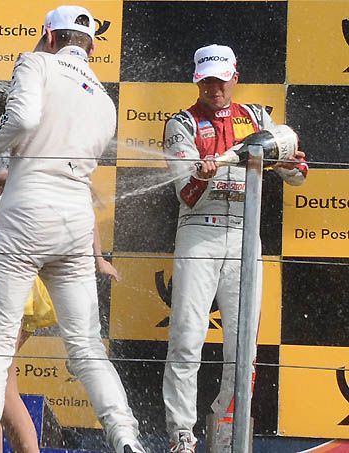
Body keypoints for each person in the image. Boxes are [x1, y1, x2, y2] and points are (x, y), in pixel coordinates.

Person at [0, 6, 146, 453]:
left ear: (49, 35)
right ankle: (125, 437)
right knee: (87, 348)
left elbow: (21, 120)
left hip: (27, 214)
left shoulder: (35, 62)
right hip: (74, 221)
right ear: (91, 46)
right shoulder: (104, 97)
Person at [162, 44, 308, 453]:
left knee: (243, 345)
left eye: (222, 80)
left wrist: (289, 164)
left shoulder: (258, 118)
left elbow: (298, 174)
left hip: (246, 232)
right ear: (197, 80)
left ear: (235, 77)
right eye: (207, 81)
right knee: (187, 337)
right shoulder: (182, 123)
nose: (215, 89)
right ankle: (181, 434)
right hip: (199, 232)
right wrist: (205, 173)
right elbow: (187, 195)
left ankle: (227, 433)